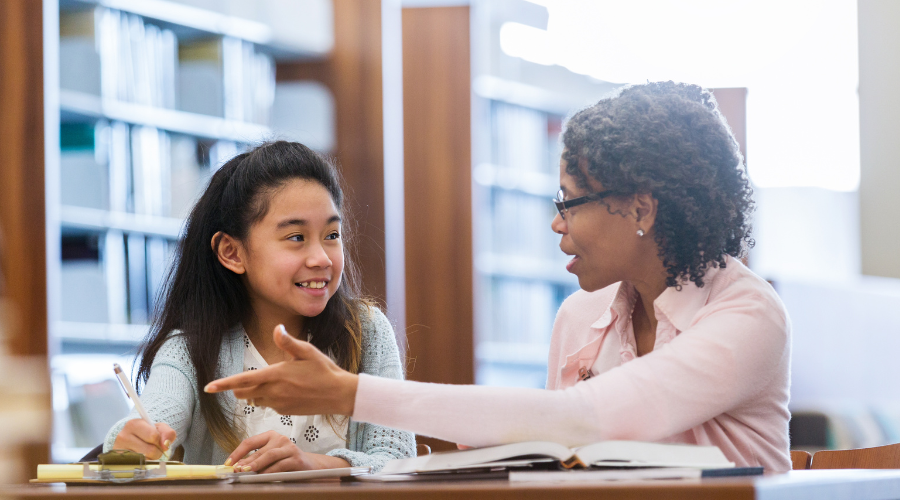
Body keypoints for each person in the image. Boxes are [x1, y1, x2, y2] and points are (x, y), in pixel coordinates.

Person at [205, 82, 792, 472]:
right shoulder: (581, 318)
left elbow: (588, 417)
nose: (556, 223)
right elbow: (571, 457)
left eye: (571, 202)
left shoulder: (746, 315)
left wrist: (349, 393)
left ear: (641, 209)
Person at [104, 141, 415, 473]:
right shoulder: (188, 350)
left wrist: (311, 466)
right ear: (232, 253)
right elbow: (152, 418)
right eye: (296, 237)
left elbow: (398, 462)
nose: (321, 258)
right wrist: (130, 444)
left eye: (332, 234)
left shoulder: (366, 331)